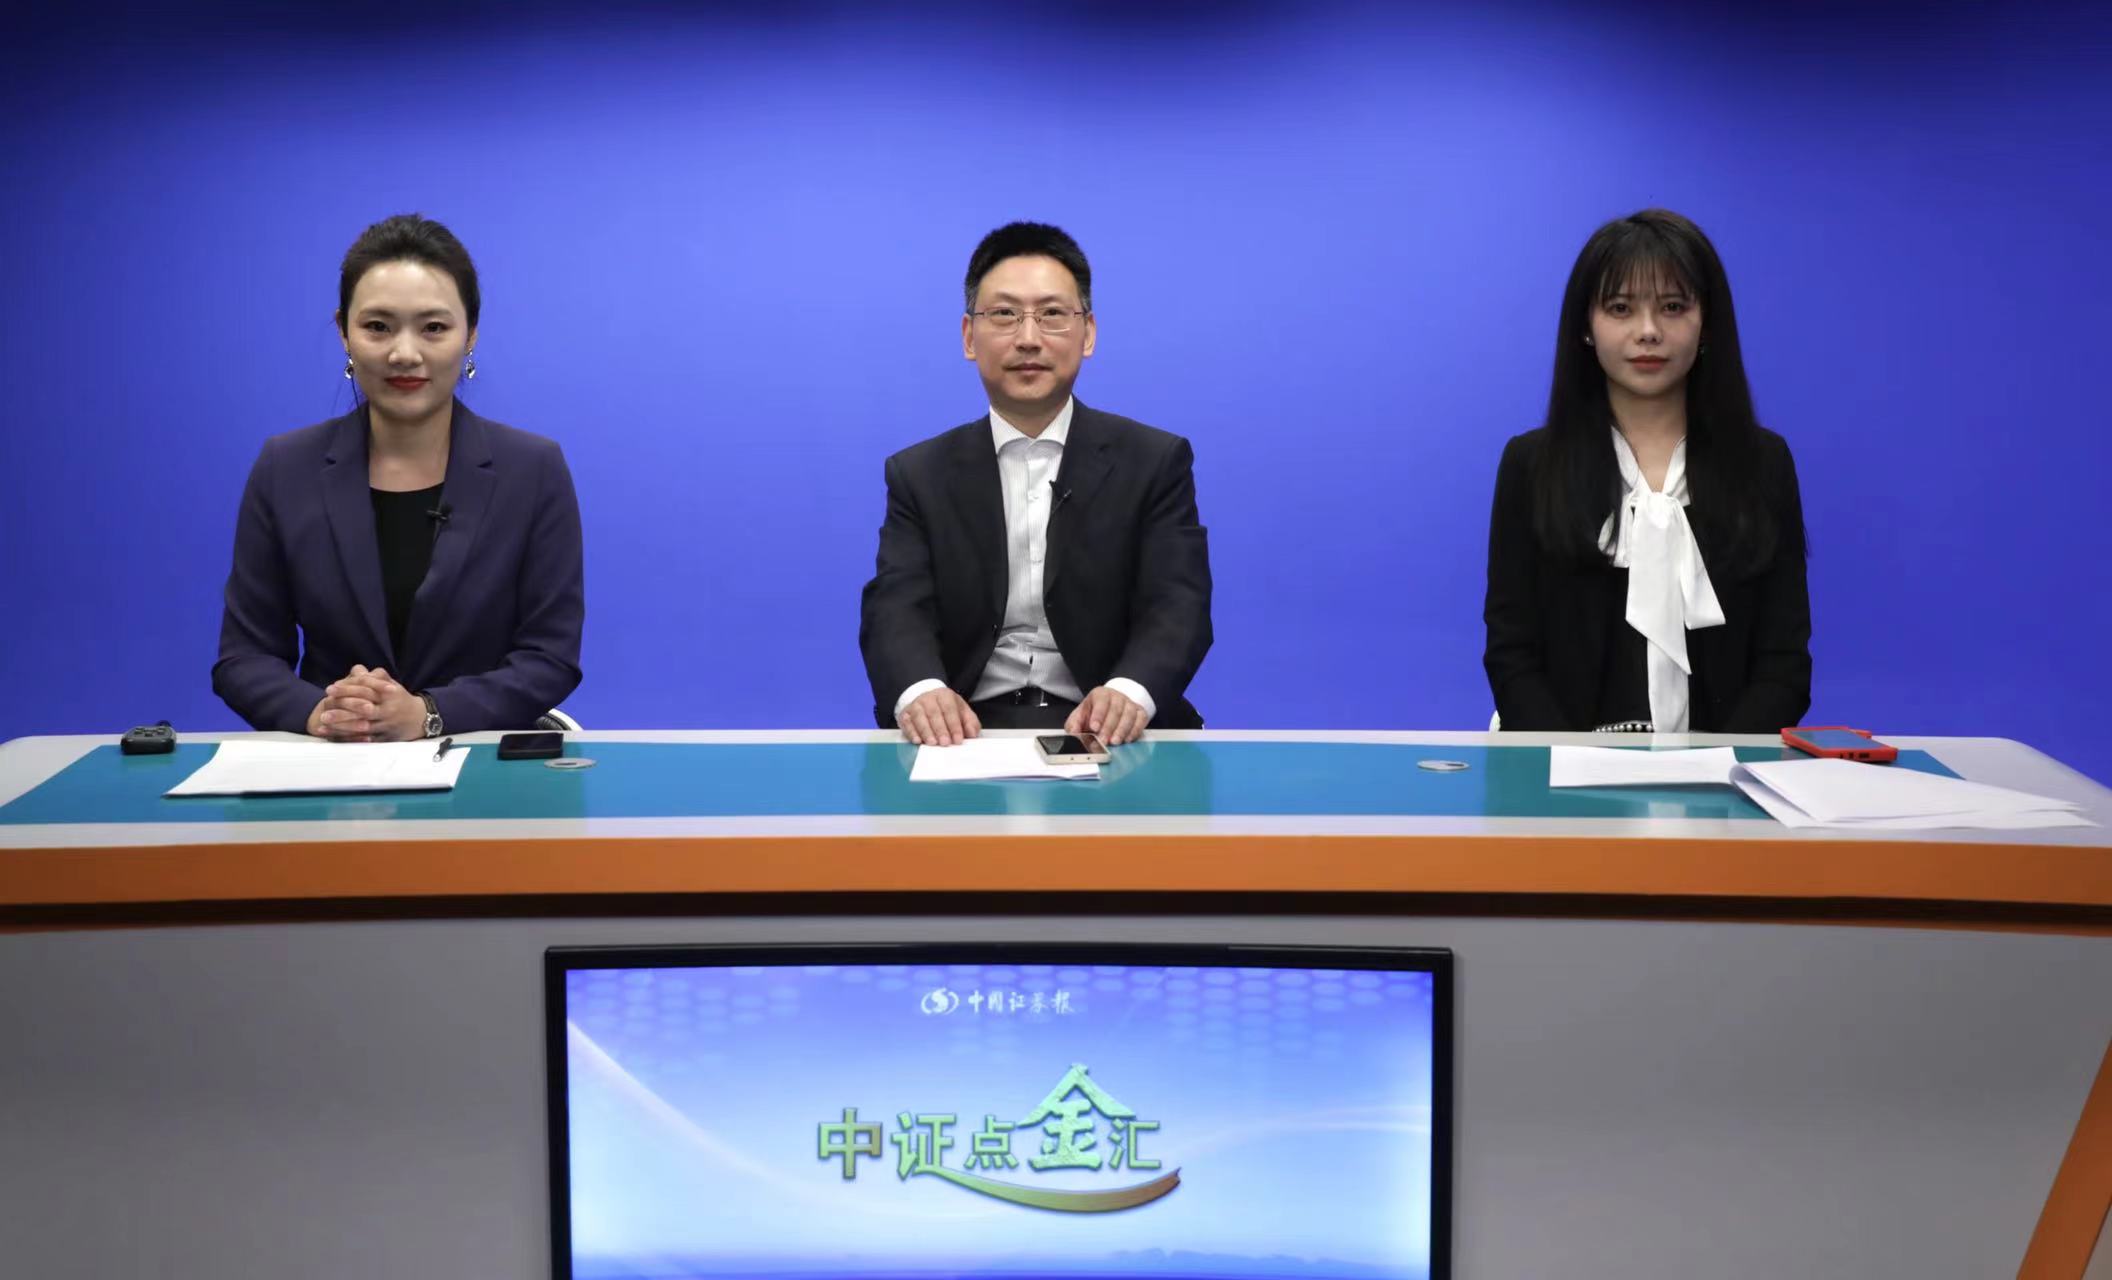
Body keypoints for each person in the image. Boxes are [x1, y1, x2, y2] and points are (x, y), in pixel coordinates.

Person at [212, 214, 584, 740]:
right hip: (330, 764)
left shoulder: (534, 469)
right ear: (344, 332)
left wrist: (427, 713)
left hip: (478, 763)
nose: (404, 353)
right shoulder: (284, 467)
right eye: (378, 326)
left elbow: (550, 657)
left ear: (471, 334)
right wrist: (323, 712)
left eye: (433, 328)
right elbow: (244, 657)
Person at [860, 221, 1212, 747]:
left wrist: (1129, 692)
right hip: (965, 730)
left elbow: (1178, 603)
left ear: (1087, 334)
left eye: (1051, 314)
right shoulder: (919, 473)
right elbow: (896, 606)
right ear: (969, 337)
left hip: (1110, 729)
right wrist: (923, 691)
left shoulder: (1154, 461)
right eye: (1004, 314)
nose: (1028, 338)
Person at [1484, 209, 1809, 732]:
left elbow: (1784, 664)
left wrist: (1717, 767)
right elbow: (1512, 653)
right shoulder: (1531, 465)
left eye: (1673, 307)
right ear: (1586, 326)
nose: (1649, 331)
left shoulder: (1763, 464)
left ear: (1707, 323)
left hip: (1723, 773)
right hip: (1559, 768)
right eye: (1620, 308)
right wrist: (1572, 762)